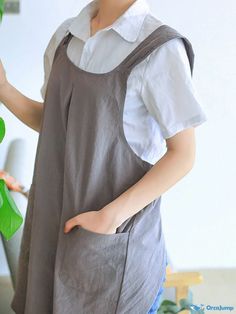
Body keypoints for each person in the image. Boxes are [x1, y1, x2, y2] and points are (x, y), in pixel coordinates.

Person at [0, 0, 207, 313]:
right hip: (51, 238)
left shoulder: (159, 49)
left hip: (115, 250)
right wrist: (4, 89)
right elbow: (54, 122)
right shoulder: (66, 36)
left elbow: (183, 154)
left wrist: (109, 218)